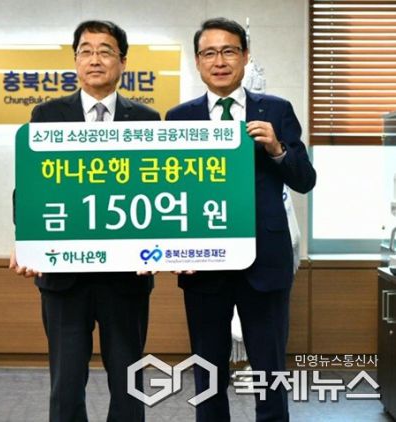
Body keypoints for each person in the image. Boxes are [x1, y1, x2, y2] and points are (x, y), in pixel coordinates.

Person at [165, 18, 316, 422]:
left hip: (265, 261)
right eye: (209, 53)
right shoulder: (179, 118)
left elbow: (305, 180)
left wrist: (277, 149)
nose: (220, 61)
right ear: (198, 61)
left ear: (245, 56)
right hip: (203, 263)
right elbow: (170, 191)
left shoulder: (277, 110)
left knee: (269, 371)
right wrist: (171, 248)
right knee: (208, 373)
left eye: (229, 51)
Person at [10, 20, 160, 422]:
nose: (95, 59)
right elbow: (30, 187)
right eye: (86, 51)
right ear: (75, 60)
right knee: (66, 384)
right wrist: (26, 240)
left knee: (128, 383)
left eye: (105, 51)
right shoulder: (47, 114)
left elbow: (158, 191)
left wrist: (162, 244)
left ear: (122, 62)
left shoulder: (146, 119)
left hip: (126, 277)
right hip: (65, 278)